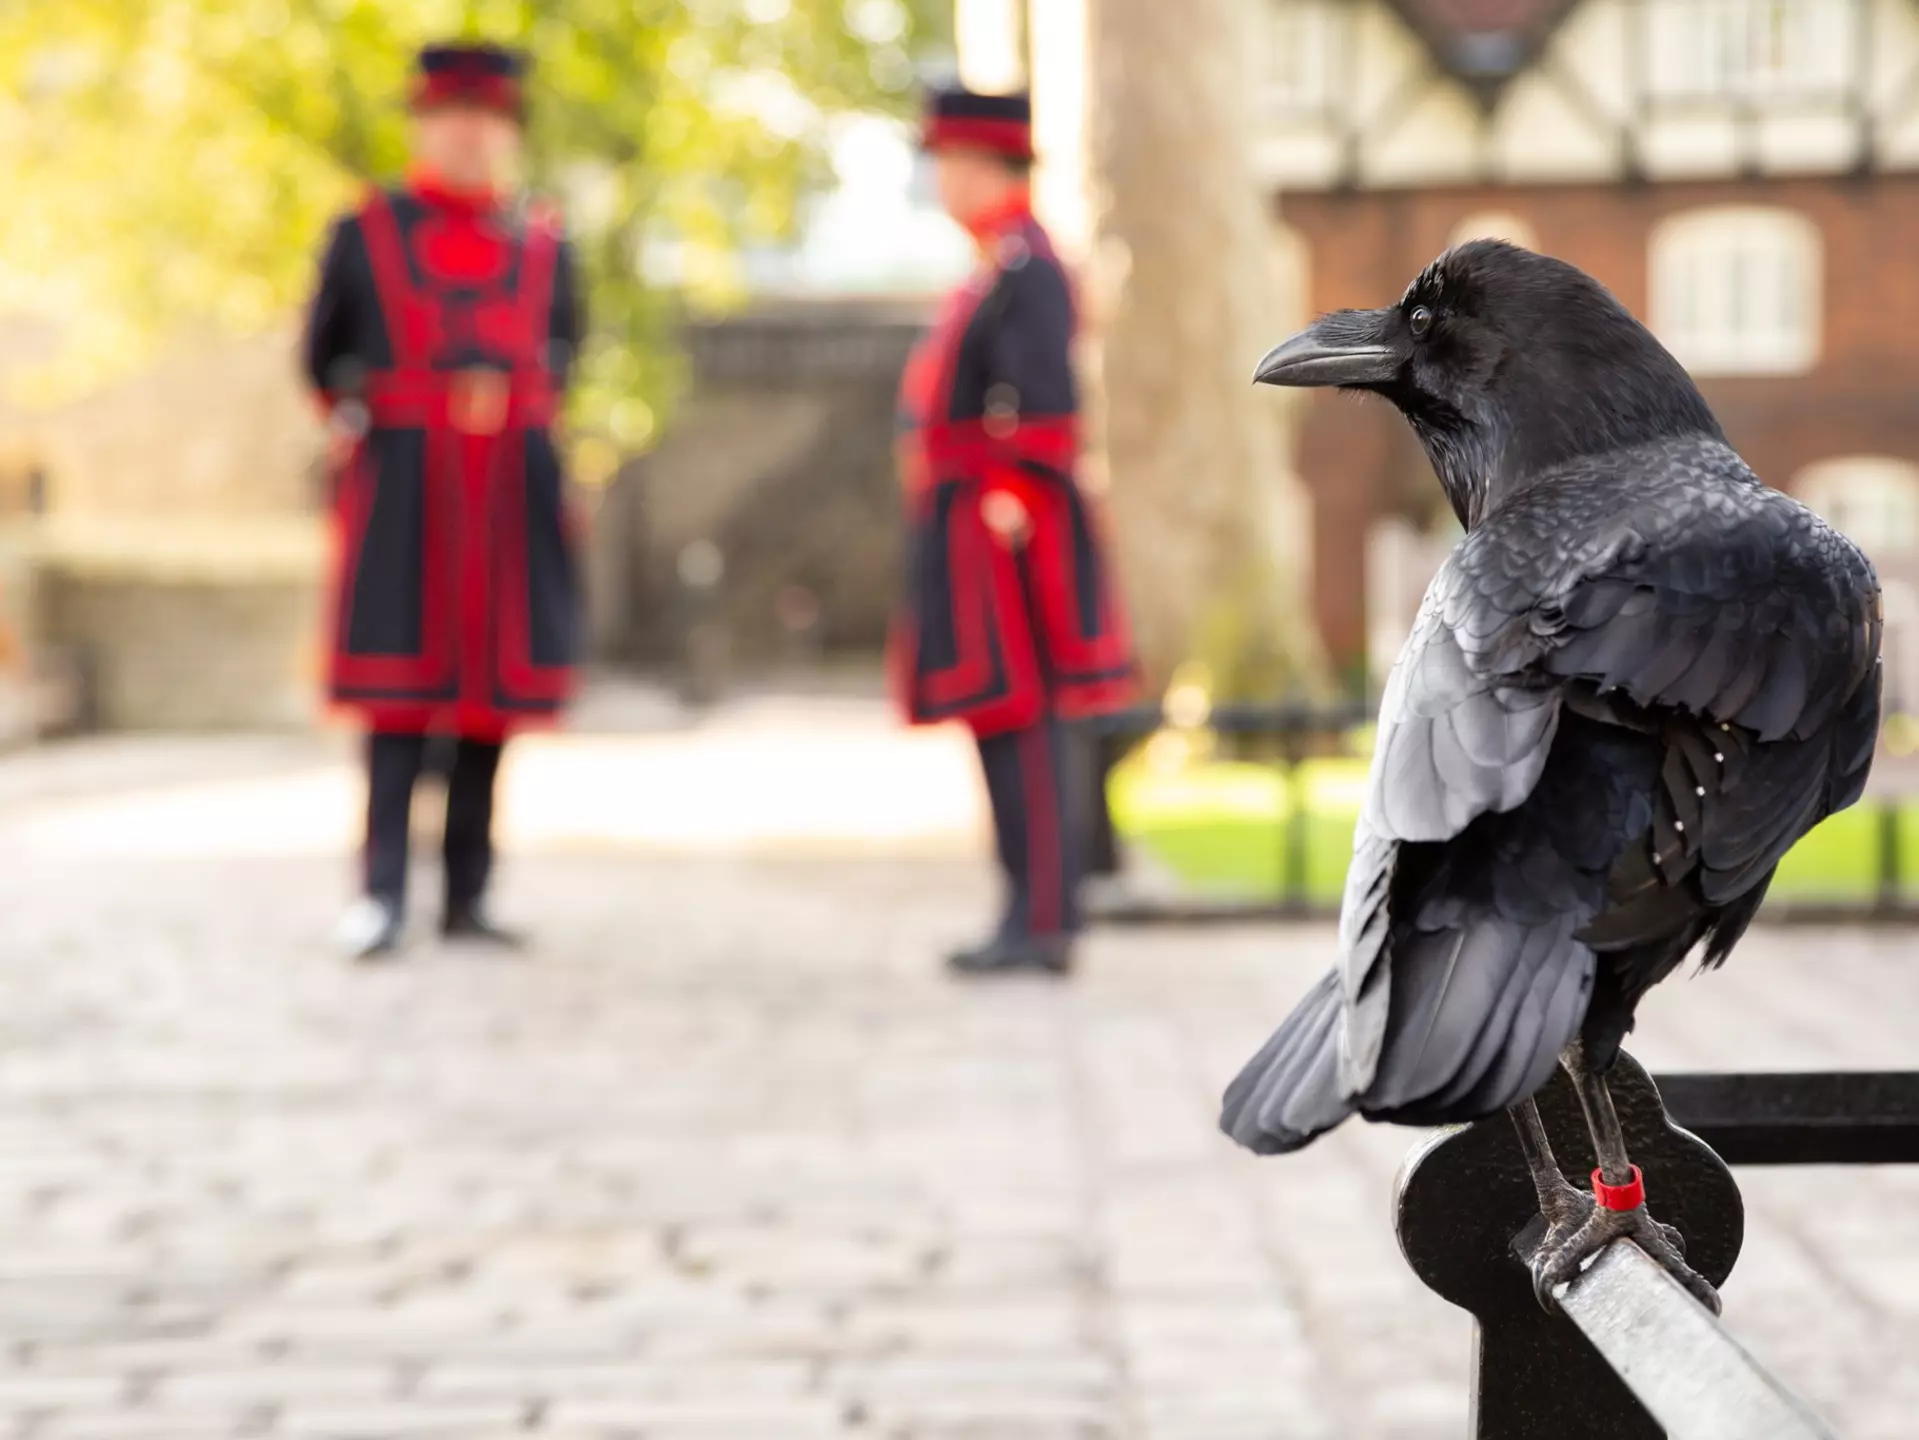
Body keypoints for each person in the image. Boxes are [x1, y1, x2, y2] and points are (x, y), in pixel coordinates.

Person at [303, 42, 584, 961]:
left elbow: (566, 356)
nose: (468, 136)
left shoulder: (545, 243)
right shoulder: (366, 232)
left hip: (505, 498)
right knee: (396, 700)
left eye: (485, 119)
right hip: (407, 498)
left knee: (487, 704)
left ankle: (469, 893)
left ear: (506, 131)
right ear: (423, 125)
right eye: (450, 118)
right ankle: (381, 894)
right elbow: (321, 358)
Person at [892, 86, 1137, 978]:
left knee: (1021, 718)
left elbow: (1039, 407)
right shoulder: (998, 262)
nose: (942, 182)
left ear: (980, 165)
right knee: (1001, 720)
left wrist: (1003, 498)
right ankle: (1026, 909)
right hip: (978, 523)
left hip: (1005, 530)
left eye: (949, 164)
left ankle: (1040, 920)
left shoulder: (1026, 266)